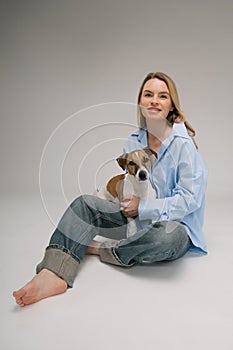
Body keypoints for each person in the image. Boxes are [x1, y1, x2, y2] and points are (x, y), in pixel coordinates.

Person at [13, 72, 208, 306]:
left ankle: (102, 250)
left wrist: (143, 207)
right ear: (140, 102)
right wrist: (102, 196)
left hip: (172, 226)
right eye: (148, 94)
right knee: (83, 204)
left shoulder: (183, 145)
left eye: (162, 96)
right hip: (133, 221)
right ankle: (53, 272)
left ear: (171, 105)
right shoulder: (134, 141)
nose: (154, 100)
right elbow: (128, 181)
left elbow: (189, 200)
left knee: (169, 237)